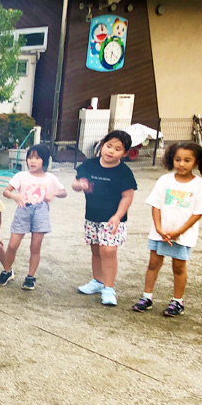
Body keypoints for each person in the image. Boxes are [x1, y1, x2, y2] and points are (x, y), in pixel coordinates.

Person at [132, 142, 202, 316]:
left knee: (178, 267)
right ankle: (146, 297)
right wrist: (159, 228)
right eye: (177, 159)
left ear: (196, 161)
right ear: (171, 159)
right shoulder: (164, 180)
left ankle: (177, 301)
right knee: (153, 263)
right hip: (159, 233)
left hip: (182, 236)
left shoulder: (200, 185)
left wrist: (179, 232)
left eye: (187, 160)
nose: (181, 164)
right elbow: (155, 205)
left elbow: (198, 213)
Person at [73, 131, 138, 306]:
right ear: (102, 146)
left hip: (112, 219)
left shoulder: (124, 172)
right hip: (92, 217)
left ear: (124, 154)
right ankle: (97, 281)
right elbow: (75, 183)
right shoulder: (89, 164)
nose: (111, 151)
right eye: (109, 146)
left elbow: (127, 196)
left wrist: (118, 216)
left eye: (117, 149)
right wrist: (80, 185)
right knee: (96, 250)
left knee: (108, 251)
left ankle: (109, 289)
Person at [0, 145, 67, 290]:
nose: (32, 161)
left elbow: (64, 192)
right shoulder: (21, 175)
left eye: (37, 158)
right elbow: (6, 191)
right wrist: (15, 196)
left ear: (45, 160)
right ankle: (7, 271)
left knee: (35, 246)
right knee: (12, 245)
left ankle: (30, 277)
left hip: (41, 212)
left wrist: (53, 194)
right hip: (23, 211)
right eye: (30, 157)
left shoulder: (50, 178)